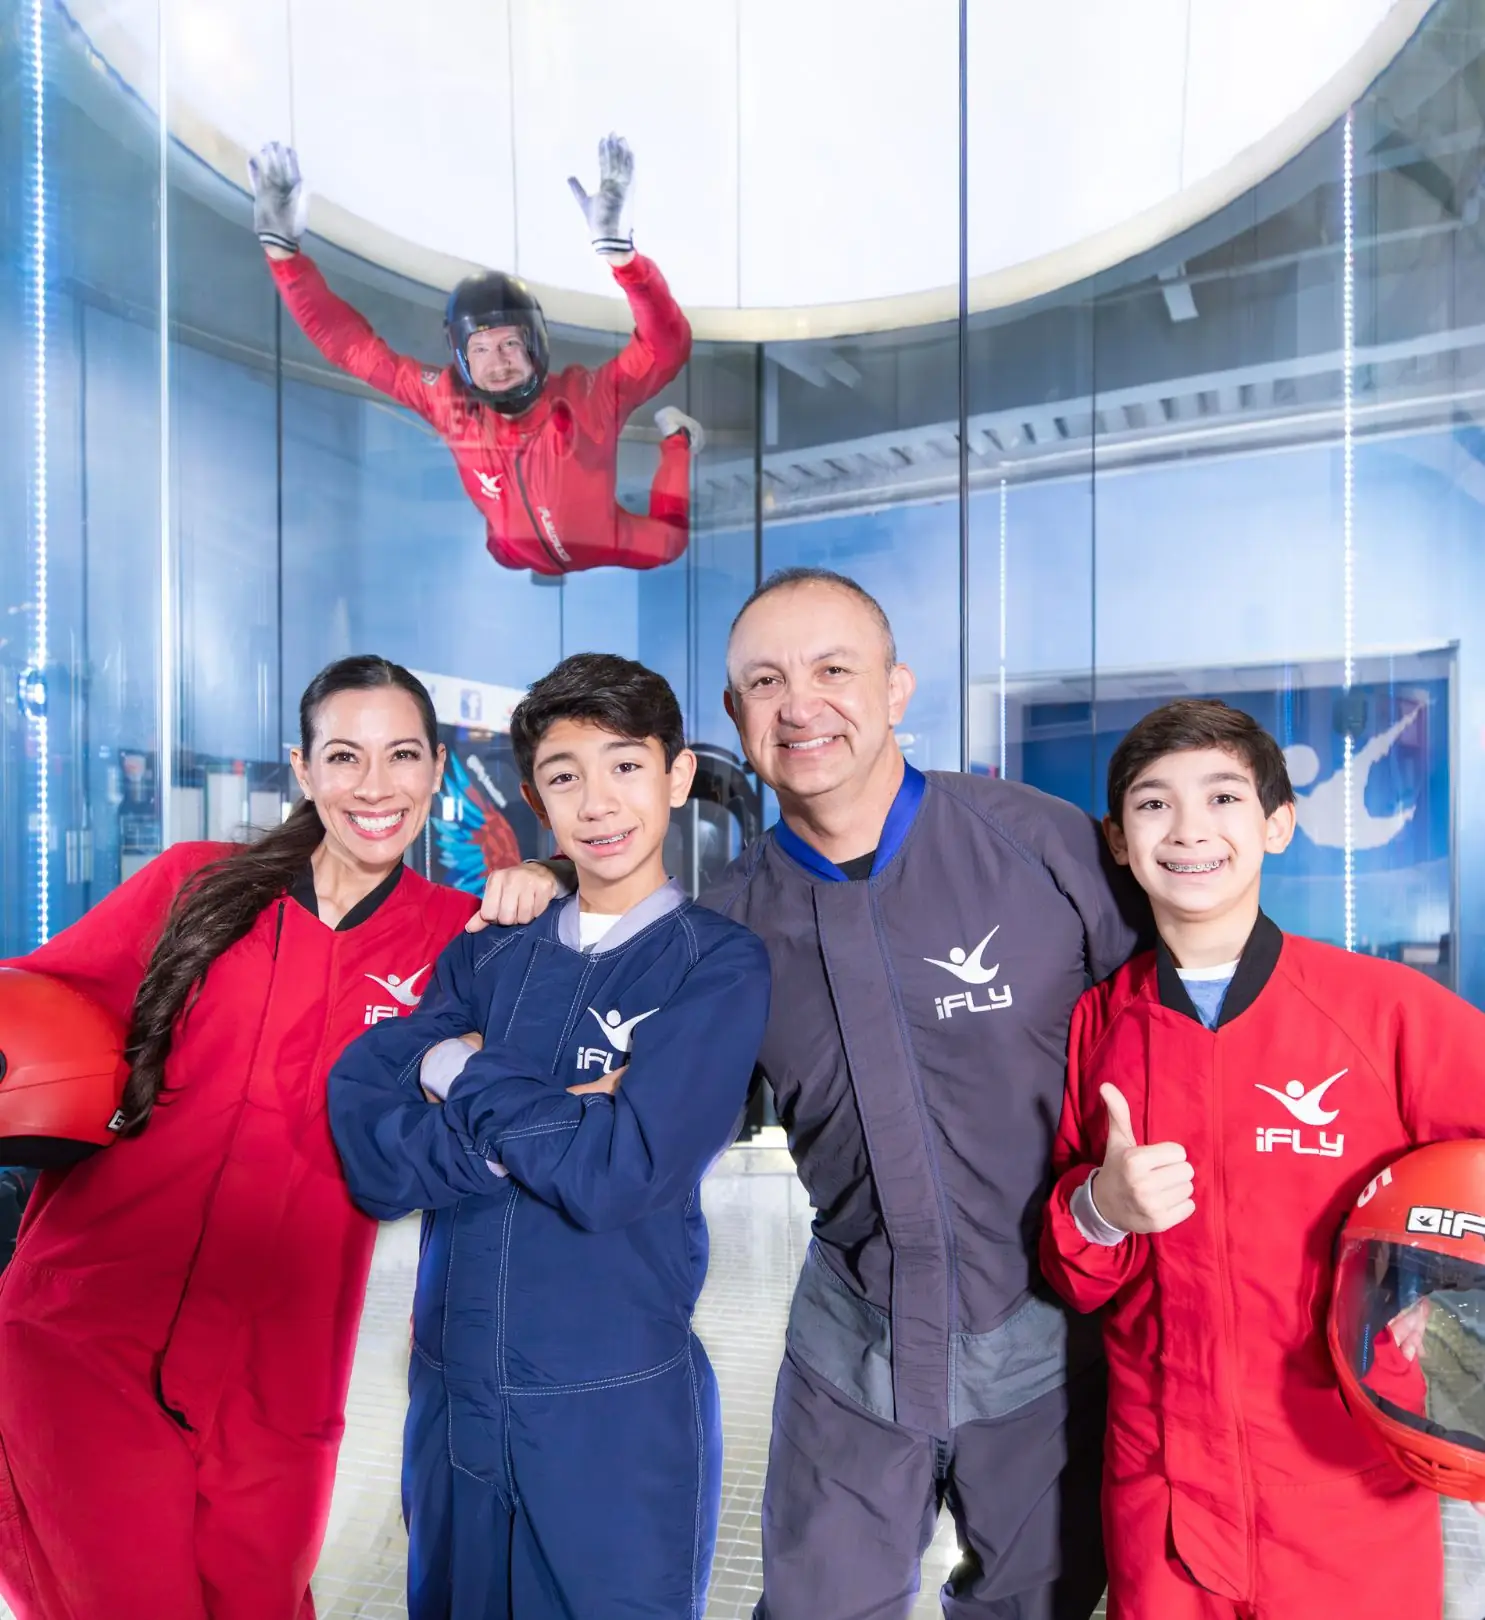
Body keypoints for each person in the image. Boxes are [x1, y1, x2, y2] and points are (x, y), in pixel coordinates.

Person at [477, 568, 1144, 1619]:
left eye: (835, 670)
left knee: (1040, 1603)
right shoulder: (724, 930)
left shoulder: (1043, 847)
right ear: (738, 719)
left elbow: (1183, 1034)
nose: (802, 704)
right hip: (854, 1342)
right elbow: (634, 1111)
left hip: (1045, 1338)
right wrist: (564, 895)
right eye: (765, 682)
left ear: (896, 688)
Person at [0, 656, 478, 1620]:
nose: (374, 787)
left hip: (282, 1359)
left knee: (260, 1598)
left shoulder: (459, 939)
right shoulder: (197, 888)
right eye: (344, 757)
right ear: (302, 769)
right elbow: (43, 1005)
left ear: (436, 770)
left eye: (401, 757)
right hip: (91, 1327)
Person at [326, 652, 770, 1620]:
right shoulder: (491, 947)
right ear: (535, 797)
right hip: (455, 1403)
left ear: (678, 776)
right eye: (566, 777)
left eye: (625, 766)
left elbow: (618, 1174)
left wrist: (461, 1072)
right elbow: (371, 1144)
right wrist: (539, 1121)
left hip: (610, 1406)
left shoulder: (715, 966)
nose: (599, 803)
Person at [1037, 697, 1485, 1620]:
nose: (1189, 829)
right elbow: (1073, 1273)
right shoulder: (1098, 1026)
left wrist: (1439, 1288)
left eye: (1223, 798)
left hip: (1342, 1486)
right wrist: (1100, 1209)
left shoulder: (1382, 1013)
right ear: (1119, 841)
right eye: (1153, 805)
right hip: (1161, 1494)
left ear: (1279, 824)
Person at [248, 135, 702, 576]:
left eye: (509, 343)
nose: (497, 361)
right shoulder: (448, 402)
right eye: (480, 349)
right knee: (502, 551)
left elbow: (666, 347)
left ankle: (678, 437)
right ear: (462, 358)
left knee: (668, 544)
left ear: (535, 345)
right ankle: (518, 548)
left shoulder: (589, 399)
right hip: (511, 548)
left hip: (599, 541)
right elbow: (353, 348)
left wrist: (622, 259)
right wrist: (282, 254)